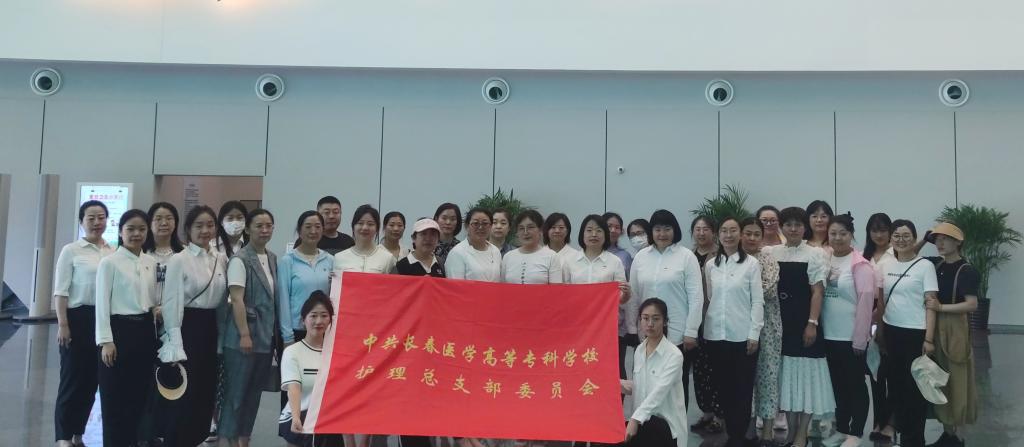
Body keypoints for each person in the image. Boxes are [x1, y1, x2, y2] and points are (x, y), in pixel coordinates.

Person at [157, 205, 229, 447]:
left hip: (211, 328)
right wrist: (175, 344)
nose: (205, 230)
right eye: (199, 225)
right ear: (188, 229)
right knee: (184, 391)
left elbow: (223, 303)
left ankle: (196, 439)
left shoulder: (220, 258)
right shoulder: (179, 259)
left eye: (210, 225)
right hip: (187, 327)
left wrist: (221, 338)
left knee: (205, 390)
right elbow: (171, 303)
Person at [765, 207, 835, 447]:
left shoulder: (815, 254)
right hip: (779, 325)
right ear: (781, 227)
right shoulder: (771, 252)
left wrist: (812, 323)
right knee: (787, 381)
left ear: (805, 228)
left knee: (806, 381)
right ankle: (791, 430)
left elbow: (818, 292)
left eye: (798, 224)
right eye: (788, 224)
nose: (793, 229)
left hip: (805, 323)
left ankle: (802, 433)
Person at [630, 209, 704, 418]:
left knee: (676, 386)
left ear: (675, 230)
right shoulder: (641, 257)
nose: (662, 234)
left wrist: (691, 331)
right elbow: (634, 296)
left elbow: (696, 296)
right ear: (651, 231)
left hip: (677, 333)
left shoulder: (686, 256)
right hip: (647, 333)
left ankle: (675, 430)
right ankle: (647, 428)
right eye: (657, 229)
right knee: (646, 383)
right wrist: (634, 328)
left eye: (667, 229)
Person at [95, 209, 158, 447]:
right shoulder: (109, 263)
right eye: (130, 229)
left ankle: (132, 440)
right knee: (114, 396)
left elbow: (151, 298)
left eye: (141, 229)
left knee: (139, 393)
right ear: (120, 232)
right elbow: (102, 304)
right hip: (118, 332)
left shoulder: (150, 262)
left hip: (145, 332)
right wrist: (106, 341)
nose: (136, 234)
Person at [53, 200, 114, 447]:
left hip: (104, 320)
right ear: (81, 222)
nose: (97, 222)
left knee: (91, 381)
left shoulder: (112, 251)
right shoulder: (71, 250)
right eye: (91, 218)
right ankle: (63, 436)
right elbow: (61, 291)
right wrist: (63, 324)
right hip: (77, 320)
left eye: (101, 217)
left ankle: (78, 433)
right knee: (72, 380)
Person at [220, 208, 281, 447]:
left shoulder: (272, 258)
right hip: (242, 339)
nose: (264, 230)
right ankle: (226, 441)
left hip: (265, 338)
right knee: (236, 396)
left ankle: (243, 441)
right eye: (259, 226)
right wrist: (244, 334)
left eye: (268, 225)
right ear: (248, 229)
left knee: (254, 395)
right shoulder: (240, 259)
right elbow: (237, 299)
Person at [703, 217, 764, 447]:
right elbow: (710, 298)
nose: (728, 235)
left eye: (733, 231)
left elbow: (757, 301)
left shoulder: (751, 264)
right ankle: (731, 432)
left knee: (742, 388)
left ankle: (739, 435)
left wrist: (754, 333)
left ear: (740, 235)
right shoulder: (711, 265)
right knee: (723, 387)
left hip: (742, 336)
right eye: (724, 231)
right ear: (718, 235)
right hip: (715, 335)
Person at [878, 219, 938, 447]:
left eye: (906, 236)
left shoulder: (925, 266)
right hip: (892, 332)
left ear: (914, 238)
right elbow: (881, 301)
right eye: (897, 236)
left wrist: (929, 339)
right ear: (891, 238)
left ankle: (914, 439)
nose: (901, 240)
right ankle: (900, 433)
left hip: (916, 334)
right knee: (895, 386)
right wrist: (880, 332)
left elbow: (931, 304)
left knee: (915, 389)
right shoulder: (886, 265)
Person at [820, 214, 875, 447]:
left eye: (843, 233)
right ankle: (841, 428)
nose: (838, 238)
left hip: (850, 337)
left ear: (851, 235)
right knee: (837, 385)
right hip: (827, 335)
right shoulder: (824, 258)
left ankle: (856, 432)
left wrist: (860, 339)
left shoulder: (861, 265)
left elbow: (865, 304)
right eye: (833, 233)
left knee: (855, 385)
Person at [923, 223, 978, 447]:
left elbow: (972, 304)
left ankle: (957, 436)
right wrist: (924, 239)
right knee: (939, 377)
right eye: (937, 240)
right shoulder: (935, 264)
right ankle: (948, 433)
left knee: (957, 376)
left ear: (958, 242)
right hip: (934, 324)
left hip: (955, 326)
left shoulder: (966, 270)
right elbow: (906, 254)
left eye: (945, 239)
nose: (940, 243)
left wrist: (941, 308)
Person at [279, 291, 344, 447]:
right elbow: (294, 388)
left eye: (324, 316)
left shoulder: (337, 353)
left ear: (330, 320)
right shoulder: (292, 352)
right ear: (303, 320)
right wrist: (296, 417)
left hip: (328, 419)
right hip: (300, 416)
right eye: (313, 316)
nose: (318, 321)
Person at [622, 298, 688, 447]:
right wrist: (615, 384)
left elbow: (658, 392)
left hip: (665, 425)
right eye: (645, 318)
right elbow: (641, 386)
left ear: (665, 322)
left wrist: (635, 419)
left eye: (656, 319)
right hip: (643, 422)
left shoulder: (674, 355)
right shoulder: (639, 350)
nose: (650, 323)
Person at [740, 217, 783, 446]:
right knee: (743, 379)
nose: (752, 238)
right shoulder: (732, 258)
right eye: (748, 233)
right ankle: (746, 427)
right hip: (739, 326)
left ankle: (767, 430)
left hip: (768, 327)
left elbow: (768, 289)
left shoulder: (767, 258)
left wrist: (738, 295)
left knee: (767, 377)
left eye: (757, 234)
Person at [208, 200, 247, 443]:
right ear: (221, 221)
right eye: (230, 217)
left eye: (239, 217)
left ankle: (231, 422)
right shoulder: (213, 248)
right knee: (215, 372)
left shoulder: (249, 246)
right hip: (215, 317)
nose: (235, 222)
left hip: (240, 319)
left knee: (234, 375)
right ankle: (213, 420)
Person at [687, 216, 723, 434]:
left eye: (706, 229)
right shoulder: (687, 256)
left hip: (714, 319)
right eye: (697, 229)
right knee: (699, 370)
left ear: (714, 232)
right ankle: (706, 412)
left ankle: (719, 415)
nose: (701, 233)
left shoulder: (721, 256)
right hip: (693, 321)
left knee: (716, 368)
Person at [864, 212, 896, 443]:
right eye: (874, 230)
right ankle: (878, 421)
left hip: (893, 315)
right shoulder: (863, 256)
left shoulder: (897, 255)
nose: (879, 235)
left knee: (892, 373)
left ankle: (892, 423)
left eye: (883, 230)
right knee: (875, 372)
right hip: (868, 315)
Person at [279, 211, 333, 343]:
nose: (313, 231)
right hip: (297, 329)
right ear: (299, 230)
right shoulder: (288, 261)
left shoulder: (330, 260)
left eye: (318, 227)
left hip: (323, 328)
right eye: (308, 227)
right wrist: (287, 336)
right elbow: (283, 300)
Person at [565, 214, 630, 309]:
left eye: (599, 231)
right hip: (576, 314)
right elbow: (564, 294)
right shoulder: (570, 261)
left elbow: (620, 298)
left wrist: (626, 295)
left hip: (604, 315)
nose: (594, 234)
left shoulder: (615, 261)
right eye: (589, 230)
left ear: (605, 235)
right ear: (582, 234)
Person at [143, 202, 185, 324]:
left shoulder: (184, 253)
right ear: (149, 223)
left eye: (169, 218)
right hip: (144, 315)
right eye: (158, 219)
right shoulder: (142, 252)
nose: (164, 223)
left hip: (176, 316)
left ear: (175, 223)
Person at [502, 210, 563, 285]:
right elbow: (502, 287)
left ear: (540, 230)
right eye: (521, 228)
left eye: (530, 227)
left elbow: (556, 289)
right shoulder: (508, 257)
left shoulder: (552, 256)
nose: (525, 232)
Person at [334, 204, 397, 275]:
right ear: (353, 227)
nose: (365, 228)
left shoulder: (387, 258)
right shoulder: (339, 258)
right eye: (360, 223)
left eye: (370, 224)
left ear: (377, 229)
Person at [446, 208, 502, 282]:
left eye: (485, 224)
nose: (480, 227)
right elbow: (455, 285)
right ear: (467, 226)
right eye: (475, 223)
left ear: (491, 226)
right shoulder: (457, 253)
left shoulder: (495, 251)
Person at [543, 212, 579, 276]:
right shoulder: (540, 254)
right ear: (547, 230)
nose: (557, 231)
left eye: (561, 227)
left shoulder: (576, 255)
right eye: (553, 227)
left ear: (567, 231)